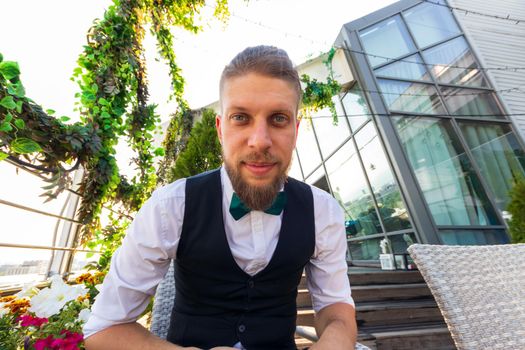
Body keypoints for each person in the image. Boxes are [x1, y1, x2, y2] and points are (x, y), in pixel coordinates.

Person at [84, 45, 357, 350]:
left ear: (295, 129)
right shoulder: (170, 208)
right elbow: (104, 329)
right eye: (241, 117)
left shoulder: (323, 212)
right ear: (220, 129)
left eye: (278, 118)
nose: (259, 141)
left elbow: (337, 311)